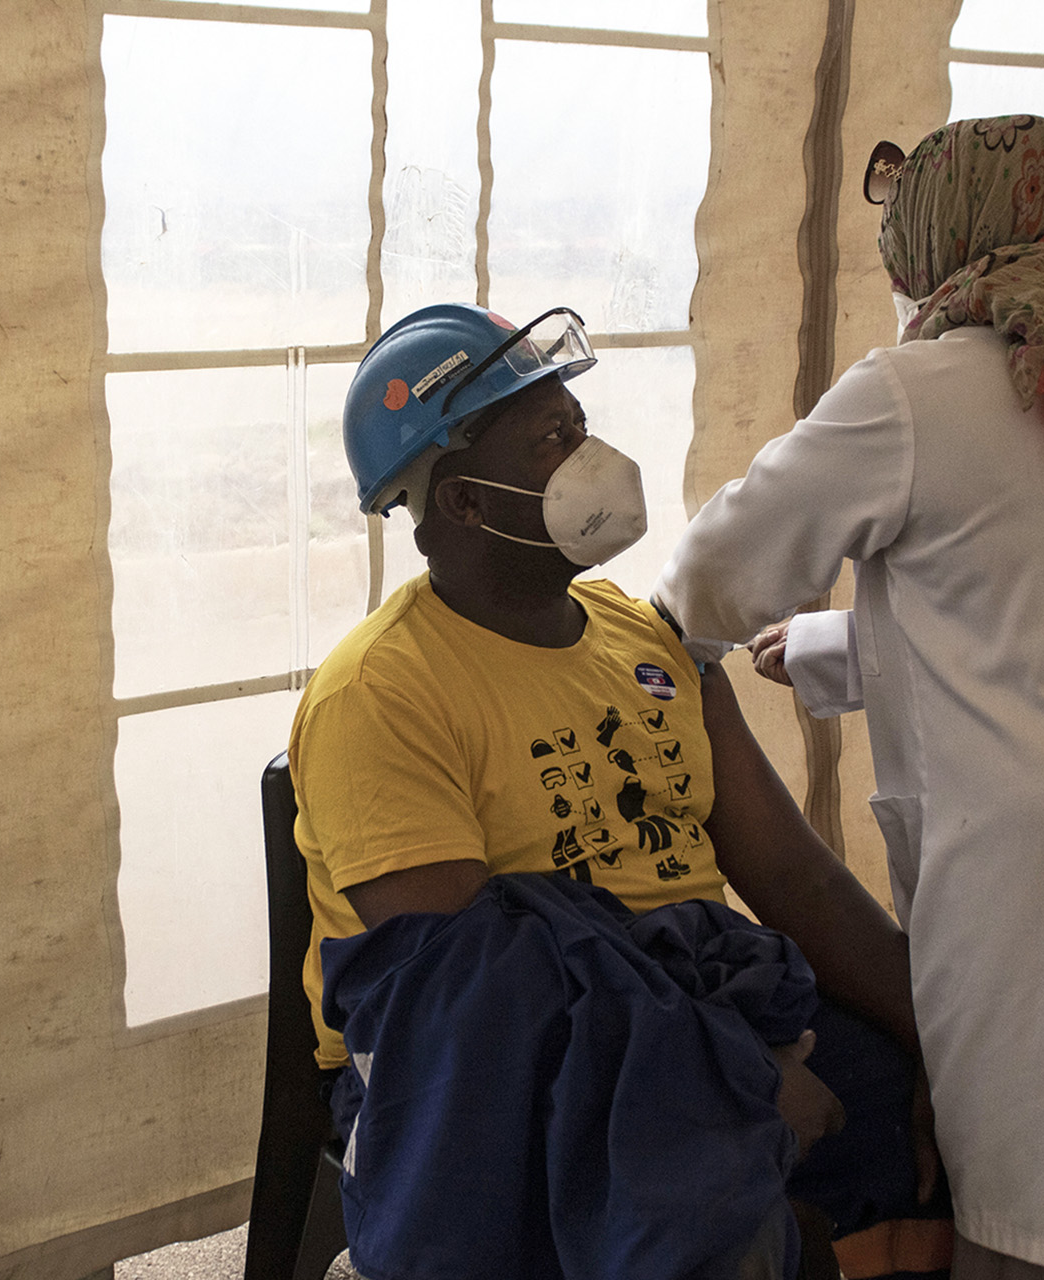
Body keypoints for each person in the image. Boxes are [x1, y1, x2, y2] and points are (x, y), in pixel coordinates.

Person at [652, 116, 1044, 1278]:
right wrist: (835, 648)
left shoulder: (918, 391)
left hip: (1037, 855)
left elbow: (716, 572)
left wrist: (665, 635)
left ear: (937, 234)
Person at [290, 302, 953, 1279]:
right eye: (552, 440)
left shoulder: (650, 640)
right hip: (484, 1068)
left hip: (685, 1005)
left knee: (907, 1111)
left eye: (580, 426)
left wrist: (940, 1035)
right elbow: (480, 995)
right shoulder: (381, 694)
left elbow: (796, 880)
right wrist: (728, 1080)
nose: (590, 456)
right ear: (466, 501)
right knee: (703, 1202)